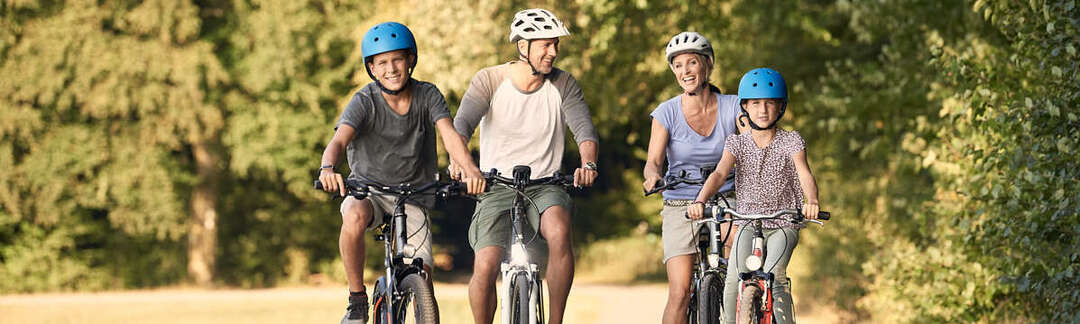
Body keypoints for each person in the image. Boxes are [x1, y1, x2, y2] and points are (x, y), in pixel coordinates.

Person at [317, 21, 485, 324]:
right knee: (353, 215)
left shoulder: (427, 95)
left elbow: (449, 135)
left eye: (397, 59)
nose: (391, 68)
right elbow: (339, 141)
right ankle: (357, 299)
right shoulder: (364, 101)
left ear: (410, 60)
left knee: (424, 280)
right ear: (371, 68)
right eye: (381, 62)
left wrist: (471, 169)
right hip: (369, 192)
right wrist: (328, 168)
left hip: (413, 195)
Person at [450, 8, 599, 324]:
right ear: (523, 46)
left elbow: (584, 130)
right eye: (546, 45)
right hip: (496, 185)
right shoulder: (490, 79)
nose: (553, 52)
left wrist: (588, 163)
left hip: (546, 185)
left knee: (559, 231)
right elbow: (460, 128)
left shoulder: (563, 83)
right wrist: (460, 163)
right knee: (486, 264)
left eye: (556, 44)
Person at [687, 67, 822, 324]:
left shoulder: (791, 141)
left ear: (781, 107)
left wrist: (812, 202)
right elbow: (719, 173)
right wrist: (700, 201)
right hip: (748, 221)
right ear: (745, 107)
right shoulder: (737, 143)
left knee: (775, 276)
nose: (763, 110)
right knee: (733, 278)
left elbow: (804, 174)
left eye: (770, 103)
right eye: (756, 103)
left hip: (783, 223)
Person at [642, 31, 749, 324]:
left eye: (692, 63)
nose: (685, 71)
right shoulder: (666, 113)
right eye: (678, 65)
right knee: (679, 292)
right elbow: (653, 161)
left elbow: (752, 145)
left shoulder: (734, 106)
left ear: (707, 64)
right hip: (680, 201)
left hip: (727, 196)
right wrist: (652, 177)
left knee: (743, 272)